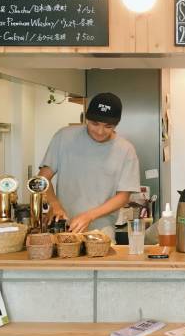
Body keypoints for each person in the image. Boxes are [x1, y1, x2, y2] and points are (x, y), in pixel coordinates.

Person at [38, 93, 140, 238]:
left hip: (101, 231)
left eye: (108, 126)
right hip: (62, 226)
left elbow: (123, 196)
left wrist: (89, 216)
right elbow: (43, 179)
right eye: (95, 123)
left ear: (116, 125)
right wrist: (54, 205)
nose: (100, 131)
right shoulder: (63, 137)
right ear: (86, 118)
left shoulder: (126, 150)